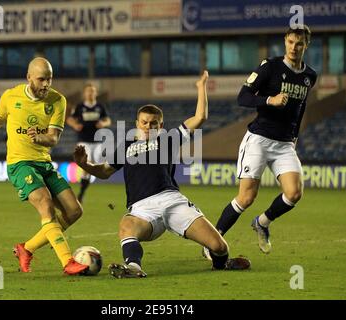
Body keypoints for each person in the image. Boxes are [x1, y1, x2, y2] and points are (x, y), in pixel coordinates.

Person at [74, 71, 250, 278]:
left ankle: (222, 264)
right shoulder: (126, 146)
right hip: (142, 209)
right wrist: (85, 164)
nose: (148, 126)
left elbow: (200, 117)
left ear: (161, 126)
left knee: (218, 246)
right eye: (144, 122)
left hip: (173, 201)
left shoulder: (168, 139)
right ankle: (133, 267)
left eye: (153, 123)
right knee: (126, 226)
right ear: (137, 123)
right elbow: (104, 172)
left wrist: (201, 87)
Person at [0, 57, 89, 275]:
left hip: (44, 162)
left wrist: (39, 138)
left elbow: (53, 139)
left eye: (49, 79)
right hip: (19, 163)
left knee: (74, 211)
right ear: (29, 77)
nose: (46, 84)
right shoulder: (10, 96)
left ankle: (26, 248)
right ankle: (67, 261)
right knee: (45, 204)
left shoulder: (58, 101)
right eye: (41, 79)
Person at [210, 25, 318, 255]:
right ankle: (213, 241)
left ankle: (262, 222)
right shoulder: (270, 66)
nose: (294, 47)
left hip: (285, 143)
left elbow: (301, 107)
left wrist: (295, 136)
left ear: (306, 45)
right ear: (285, 42)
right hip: (259, 139)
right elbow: (243, 97)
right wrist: (269, 100)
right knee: (246, 197)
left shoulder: (310, 76)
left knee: (294, 193)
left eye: (299, 43)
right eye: (290, 42)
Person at [66, 83, 111, 203]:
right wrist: (75, 125)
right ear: (85, 93)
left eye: (92, 91)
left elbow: (107, 120)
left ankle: (82, 190)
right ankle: (81, 193)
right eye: (88, 91)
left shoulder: (100, 107)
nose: (90, 93)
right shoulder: (80, 107)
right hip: (84, 141)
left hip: (97, 141)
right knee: (87, 163)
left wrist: (103, 124)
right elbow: (70, 119)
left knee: (94, 165)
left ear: (95, 93)